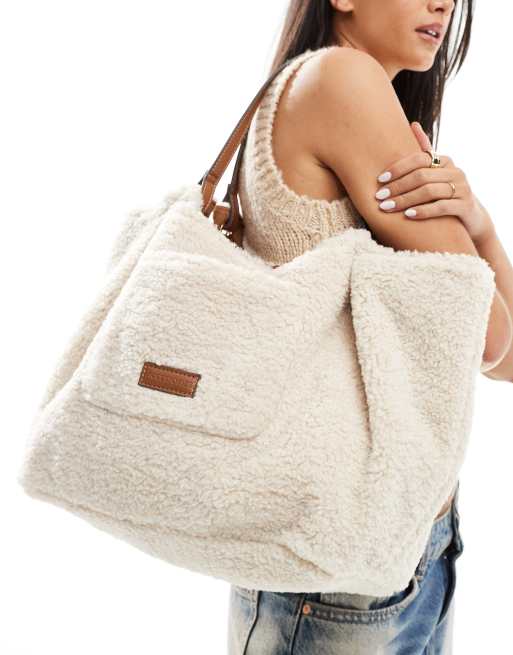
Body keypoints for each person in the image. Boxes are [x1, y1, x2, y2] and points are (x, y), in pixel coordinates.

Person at [227, 0, 513, 653]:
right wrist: (474, 235)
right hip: (339, 575)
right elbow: (491, 338)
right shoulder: (341, 79)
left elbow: (506, 353)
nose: (444, 4)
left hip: (400, 550)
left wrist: (478, 222)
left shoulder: (328, 87)